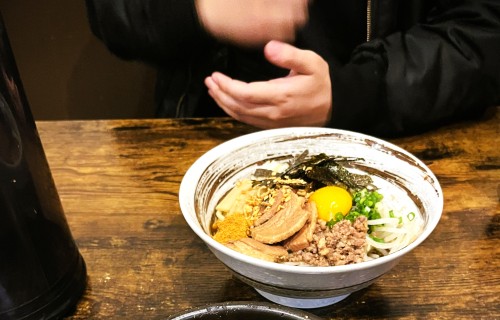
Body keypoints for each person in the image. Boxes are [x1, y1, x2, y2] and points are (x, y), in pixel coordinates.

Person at [84, 0, 500, 137]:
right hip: (206, 134)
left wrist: (356, 91)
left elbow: (484, 32)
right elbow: (109, 12)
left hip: (394, 138)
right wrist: (196, 10)